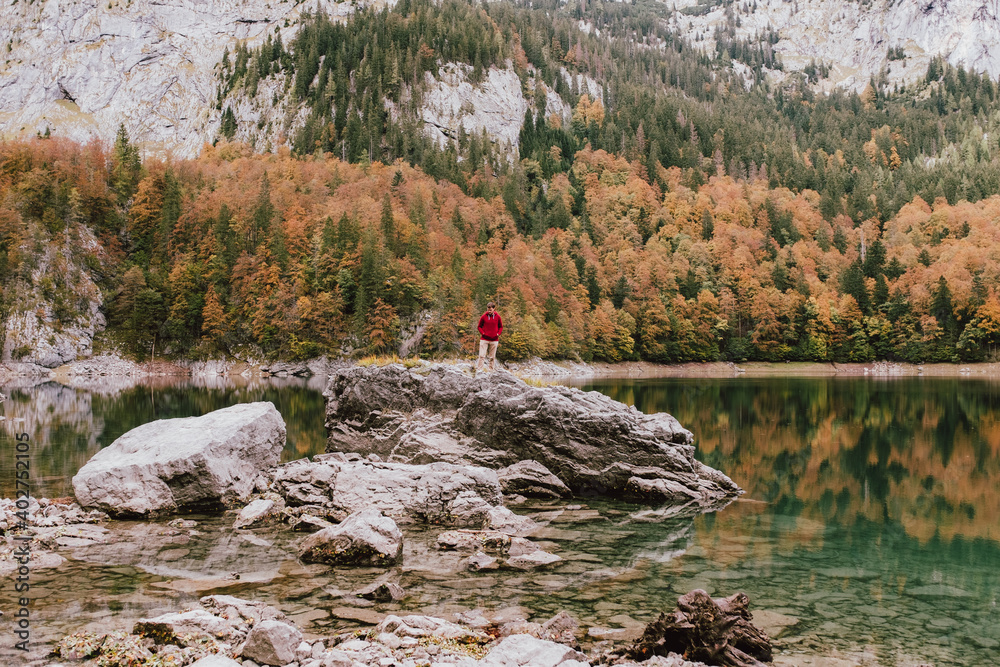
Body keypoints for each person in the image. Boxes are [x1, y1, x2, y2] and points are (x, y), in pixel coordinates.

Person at [476, 302, 502, 373]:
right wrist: (483, 333)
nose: (489, 311)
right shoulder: (484, 316)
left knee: (492, 357)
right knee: (481, 356)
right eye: (488, 309)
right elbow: (479, 326)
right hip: (484, 339)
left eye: (490, 310)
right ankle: (479, 370)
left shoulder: (498, 317)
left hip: (494, 340)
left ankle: (491, 371)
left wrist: (498, 334)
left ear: (494, 309)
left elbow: (501, 327)